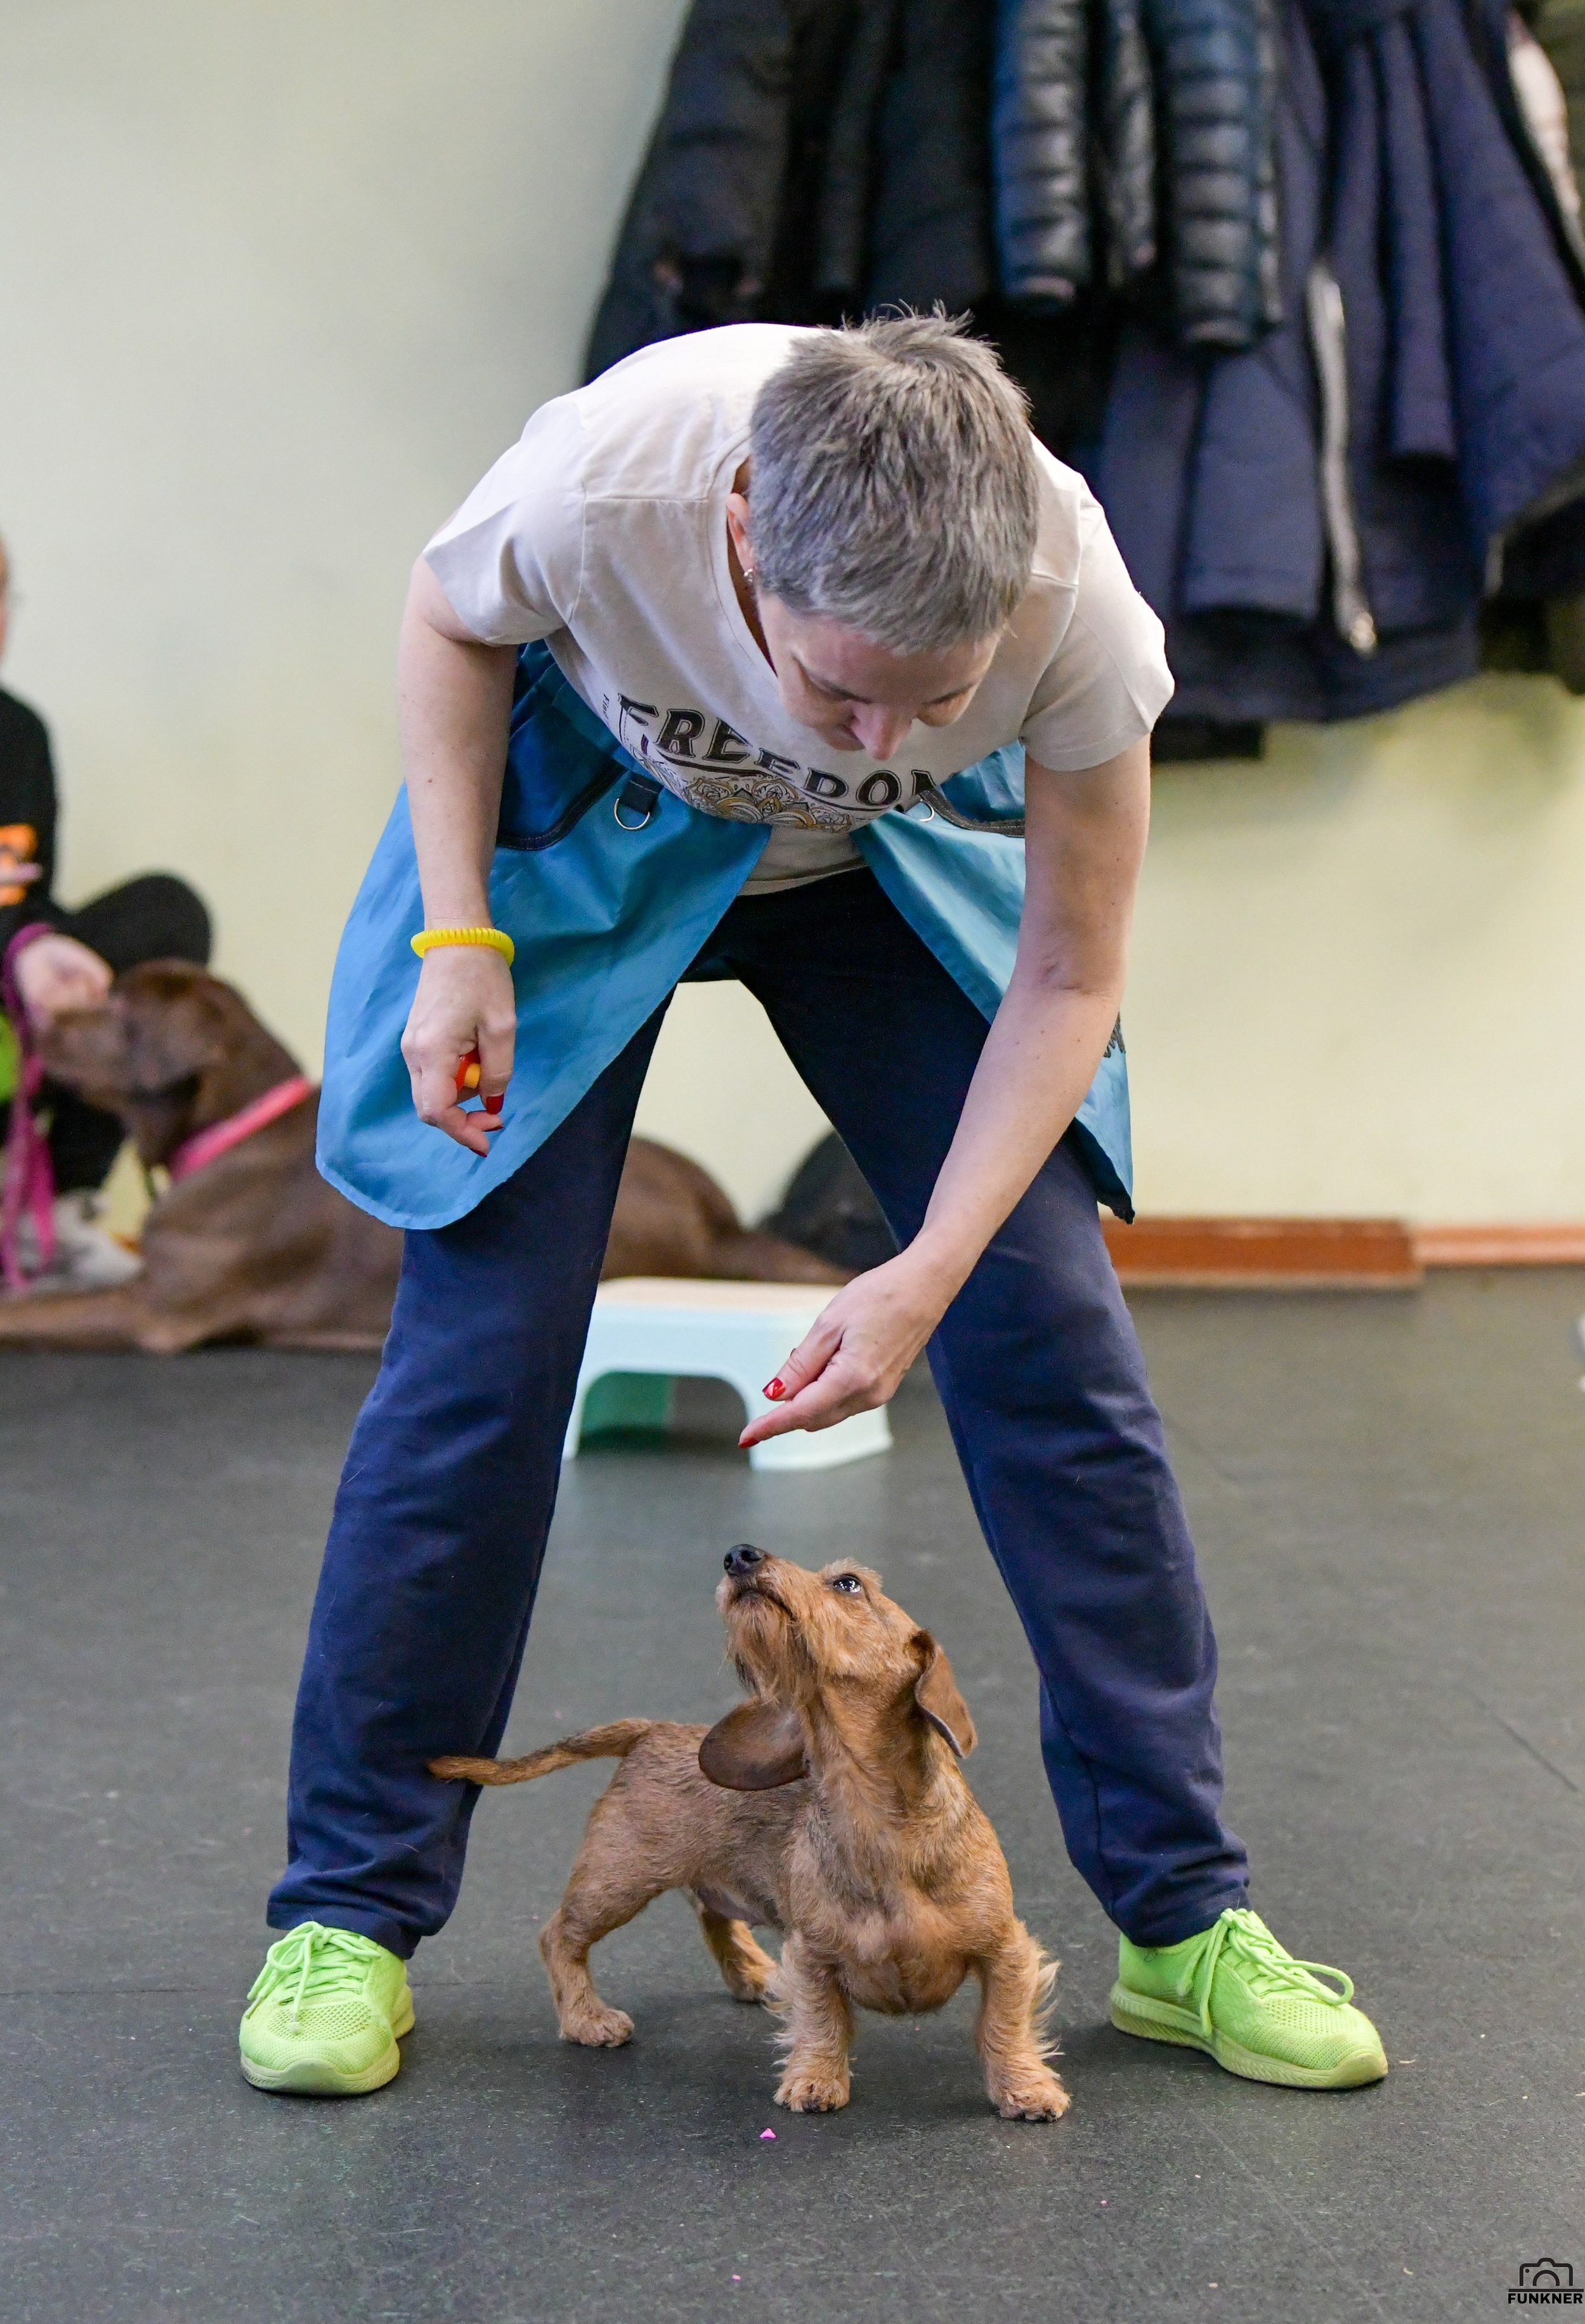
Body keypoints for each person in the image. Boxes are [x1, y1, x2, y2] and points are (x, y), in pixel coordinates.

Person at [240, 316, 1387, 2098]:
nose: (874, 733)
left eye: (935, 699)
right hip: (594, 817)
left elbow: (1070, 974)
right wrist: (458, 932)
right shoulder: (610, 482)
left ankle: (1182, 1922)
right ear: (743, 536)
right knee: (478, 1363)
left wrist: (927, 1267)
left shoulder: (1076, 605)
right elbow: (450, 616)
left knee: (1053, 1342)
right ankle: (346, 1917)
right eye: (836, 688)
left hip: (877, 880)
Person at [0, 536, 211, 1287]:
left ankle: (60, 1208)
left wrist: (37, 947)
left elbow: (26, 892)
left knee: (166, 914)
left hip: (7, 965)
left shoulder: (19, 734)